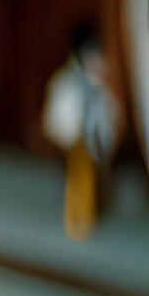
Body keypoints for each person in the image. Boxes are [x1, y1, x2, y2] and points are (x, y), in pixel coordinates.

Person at [42, 23, 124, 241]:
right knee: (76, 181)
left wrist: (111, 132)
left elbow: (110, 112)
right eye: (95, 54)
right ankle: (76, 219)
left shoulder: (100, 88)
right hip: (75, 142)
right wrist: (63, 135)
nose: (101, 61)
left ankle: (89, 215)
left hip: (95, 142)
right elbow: (57, 113)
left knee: (95, 182)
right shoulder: (67, 83)